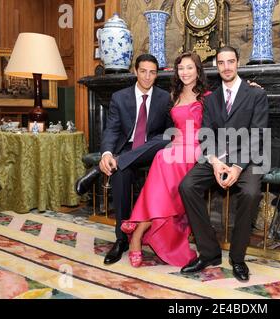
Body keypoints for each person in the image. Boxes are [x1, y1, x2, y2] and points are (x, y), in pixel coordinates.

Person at [179, 46, 269, 282]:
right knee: (187, 186)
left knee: (250, 193)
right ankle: (209, 253)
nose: (226, 67)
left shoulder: (256, 94)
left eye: (231, 61)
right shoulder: (211, 98)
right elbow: (206, 133)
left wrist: (238, 167)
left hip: (249, 158)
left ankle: (238, 258)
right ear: (216, 66)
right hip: (218, 156)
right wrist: (216, 162)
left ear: (238, 63)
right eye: (221, 63)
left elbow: (258, 134)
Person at [75, 54, 173, 265]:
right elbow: (112, 130)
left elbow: (168, 130)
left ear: (157, 74)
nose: (148, 77)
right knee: (119, 172)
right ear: (136, 71)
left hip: (151, 149)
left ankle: (98, 171)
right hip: (126, 148)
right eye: (144, 71)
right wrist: (107, 154)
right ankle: (121, 240)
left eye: (153, 72)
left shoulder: (164, 98)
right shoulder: (120, 97)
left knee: (163, 139)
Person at [119, 52, 208, 267]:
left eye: (189, 68)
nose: (185, 72)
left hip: (196, 147)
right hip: (177, 144)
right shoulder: (173, 95)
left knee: (167, 159)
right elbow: (168, 128)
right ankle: (140, 229)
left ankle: (138, 229)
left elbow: (228, 107)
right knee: (162, 155)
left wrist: (252, 86)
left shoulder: (208, 96)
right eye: (181, 68)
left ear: (197, 70)